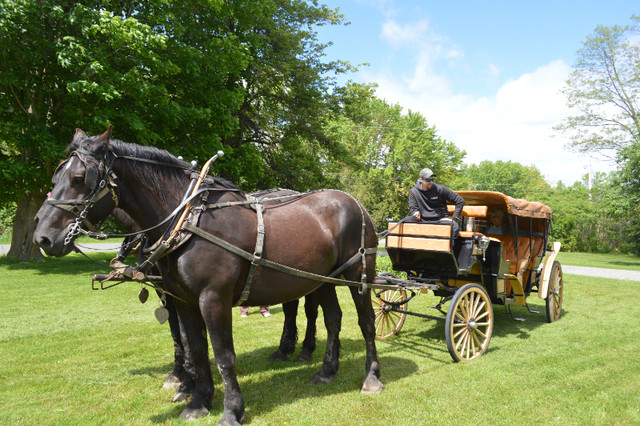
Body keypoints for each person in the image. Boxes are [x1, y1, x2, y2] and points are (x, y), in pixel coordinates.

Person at [408, 168, 465, 236]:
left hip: (441, 220)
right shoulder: (413, 191)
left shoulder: (440, 189)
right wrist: (415, 213)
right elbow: (413, 209)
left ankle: (448, 246)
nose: (431, 182)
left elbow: (460, 201)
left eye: (432, 179)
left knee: (454, 227)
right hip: (423, 221)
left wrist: (454, 219)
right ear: (421, 180)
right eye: (428, 180)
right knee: (405, 222)